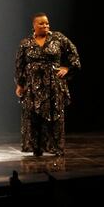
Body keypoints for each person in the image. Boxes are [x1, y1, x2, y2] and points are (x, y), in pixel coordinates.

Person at [15, 12, 80, 157]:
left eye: (47, 23)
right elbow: (20, 64)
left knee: (55, 115)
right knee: (34, 116)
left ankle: (56, 148)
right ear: (34, 25)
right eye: (41, 23)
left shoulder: (57, 38)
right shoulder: (25, 43)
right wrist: (20, 84)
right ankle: (36, 148)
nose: (45, 26)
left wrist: (67, 68)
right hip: (33, 85)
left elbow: (73, 53)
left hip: (53, 84)